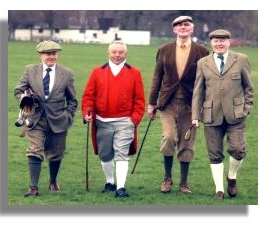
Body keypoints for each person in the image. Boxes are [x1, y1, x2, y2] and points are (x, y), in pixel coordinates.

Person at [147, 16, 209, 194]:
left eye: (186, 25)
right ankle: (167, 178)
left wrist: (204, 106)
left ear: (192, 28)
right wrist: (152, 103)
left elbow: (206, 81)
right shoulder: (164, 50)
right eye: (179, 25)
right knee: (168, 138)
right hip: (168, 103)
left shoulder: (202, 51)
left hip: (191, 105)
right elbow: (156, 78)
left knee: (187, 143)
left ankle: (184, 183)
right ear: (174, 29)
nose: (182, 27)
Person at [191, 29, 254, 200]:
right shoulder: (203, 63)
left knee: (238, 150)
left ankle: (232, 176)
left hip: (236, 114)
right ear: (211, 43)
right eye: (216, 41)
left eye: (222, 41)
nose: (219, 44)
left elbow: (249, 87)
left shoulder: (241, 59)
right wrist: (195, 115)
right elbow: (198, 91)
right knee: (214, 153)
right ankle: (219, 189)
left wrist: (246, 108)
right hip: (211, 114)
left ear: (229, 42)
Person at [82, 40, 145, 198]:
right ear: (108, 53)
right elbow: (88, 97)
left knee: (121, 153)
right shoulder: (97, 72)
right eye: (114, 52)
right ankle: (110, 181)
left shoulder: (134, 73)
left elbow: (139, 100)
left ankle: (121, 187)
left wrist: (133, 120)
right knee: (105, 154)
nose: (117, 55)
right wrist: (87, 112)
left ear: (126, 53)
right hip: (102, 121)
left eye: (121, 52)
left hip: (125, 121)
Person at [14, 40, 78, 197]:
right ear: (41, 55)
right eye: (48, 54)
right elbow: (18, 90)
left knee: (56, 153)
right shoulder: (30, 70)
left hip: (59, 119)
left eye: (54, 53)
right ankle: (33, 188)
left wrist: (68, 115)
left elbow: (72, 100)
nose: (51, 57)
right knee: (34, 150)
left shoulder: (67, 73)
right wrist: (24, 98)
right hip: (35, 118)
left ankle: (53, 181)